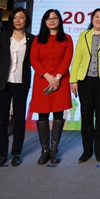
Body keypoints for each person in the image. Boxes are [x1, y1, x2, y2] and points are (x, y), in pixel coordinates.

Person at [70, 8, 100, 163]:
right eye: (97, 17)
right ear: (92, 19)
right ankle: (87, 150)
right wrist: (73, 80)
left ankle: (99, 150)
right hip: (84, 80)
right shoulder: (83, 35)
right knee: (86, 116)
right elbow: (77, 58)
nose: (99, 20)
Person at [0, 7, 34, 168]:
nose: (17, 20)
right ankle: (1, 155)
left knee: (19, 119)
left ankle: (16, 153)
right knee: (1, 119)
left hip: (21, 83)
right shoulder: (3, 36)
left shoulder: (32, 39)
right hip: (3, 83)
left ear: (26, 20)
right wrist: (2, 73)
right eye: (15, 17)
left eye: (21, 17)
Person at [30, 9, 73, 165]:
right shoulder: (37, 39)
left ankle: (54, 150)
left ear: (60, 20)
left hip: (61, 81)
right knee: (42, 114)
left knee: (58, 114)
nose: (52, 21)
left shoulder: (67, 38)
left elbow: (67, 59)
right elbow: (34, 59)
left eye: (55, 18)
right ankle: (44, 150)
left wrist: (58, 77)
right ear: (44, 22)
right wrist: (48, 76)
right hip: (43, 81)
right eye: (48, 18)